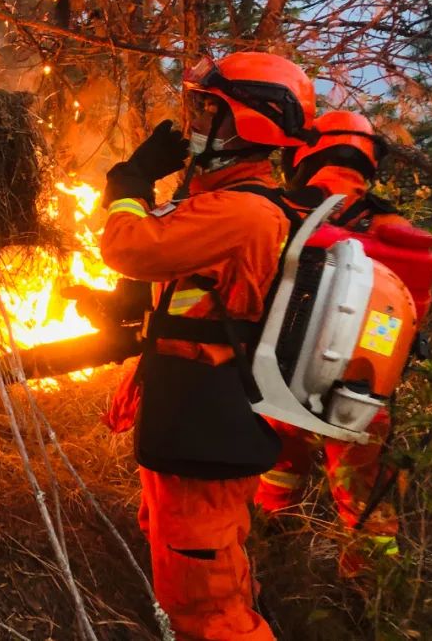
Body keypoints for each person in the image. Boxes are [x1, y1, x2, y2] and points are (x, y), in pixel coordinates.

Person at [98, 51, 317, 641]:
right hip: (194, 428)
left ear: (247, 125)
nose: (192, 122)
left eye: (207, 111)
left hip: (205, 434)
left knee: (209, 610)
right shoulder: (226, 202)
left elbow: (130, 247)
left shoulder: (244, 212)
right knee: (203, 581)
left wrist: (129, 182)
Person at [255, 110, 432, 576]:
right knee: (367, 507)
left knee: (272, 480)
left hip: (281, 380)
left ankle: (265, 562)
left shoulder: (291, 208)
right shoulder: (396, 227)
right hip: (363, 396)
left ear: (305, 152)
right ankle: (370, 591)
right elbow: (411, 315)